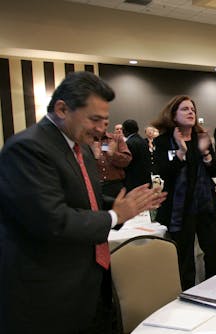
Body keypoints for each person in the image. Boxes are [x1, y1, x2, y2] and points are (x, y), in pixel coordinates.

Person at [0, 71, 164, 333]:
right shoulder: (28, 148)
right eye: (94, 119)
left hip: (88, 284)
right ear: (62, 109)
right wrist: (115, 216)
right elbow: (52, 221)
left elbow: (88, 200)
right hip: (46, 295)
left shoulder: (82, 148)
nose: (101, 129)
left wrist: (128, 206)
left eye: (105, 120)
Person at [152, 95, 216, 290]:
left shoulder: (202, 138)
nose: (191, 112)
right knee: (184, 258)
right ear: (173, 115)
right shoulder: (164, 141)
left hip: (205, 204)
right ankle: (186, 297)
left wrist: (206, 154)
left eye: (192, 109)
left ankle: (215, 293)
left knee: (214, 253)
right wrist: (181, 152)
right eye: (184, 109)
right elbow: (165, 172)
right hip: (179, 207)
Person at [122, 119, 152, 191]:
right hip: (145, 179)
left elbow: (127, 162)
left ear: (125, 130)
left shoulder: (129, 143)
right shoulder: (143, 141)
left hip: (134, 181)